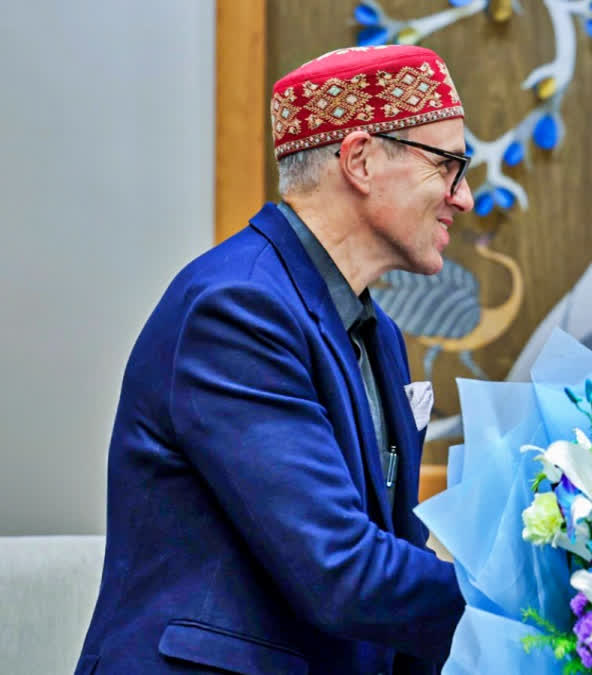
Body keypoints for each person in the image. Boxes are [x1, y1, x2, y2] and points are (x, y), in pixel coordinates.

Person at [75, 45, 474, 674]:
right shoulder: (237, 310)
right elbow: (341, 571)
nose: (465, 196)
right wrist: (541, 600)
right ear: (362, 161)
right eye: (449, 164)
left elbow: (391, 563)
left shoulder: (380, 335)